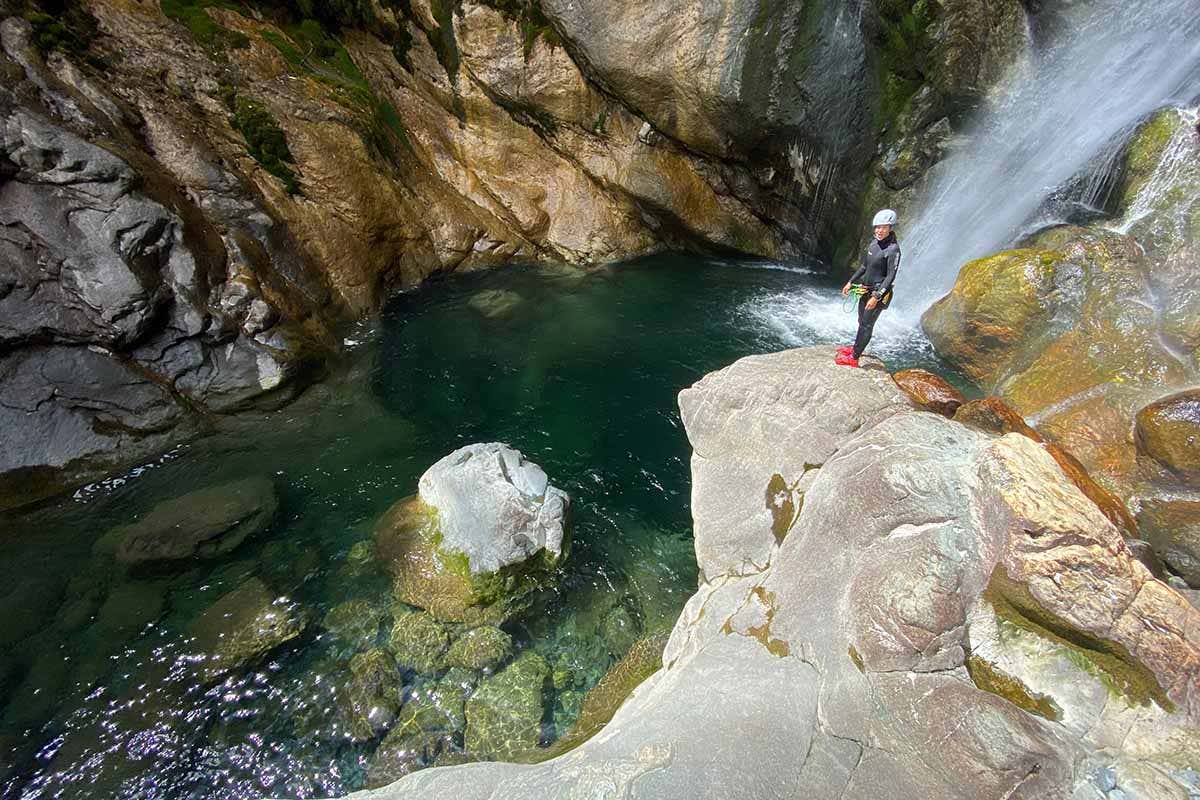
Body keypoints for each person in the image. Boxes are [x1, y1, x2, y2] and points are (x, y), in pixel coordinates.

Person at [836, 209, 901, 367]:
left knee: (867, 324)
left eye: (883, 227)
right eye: (877, 227)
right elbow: (865, 266)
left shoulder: (893, 250)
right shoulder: (874, 243)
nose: (879, 230)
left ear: (890, 228)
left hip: (878, 293)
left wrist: (876, 296)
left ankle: (854, 358)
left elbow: (890, 276)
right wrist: (850, 281)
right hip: (866, 290)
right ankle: (856, 347)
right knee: (861, 321)